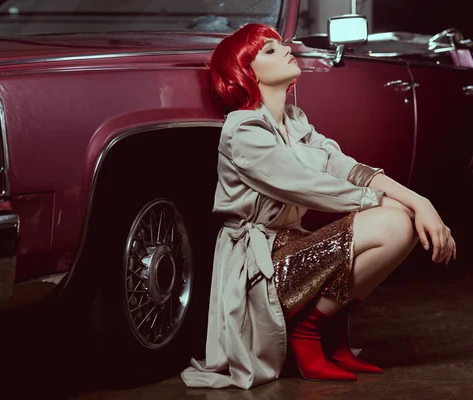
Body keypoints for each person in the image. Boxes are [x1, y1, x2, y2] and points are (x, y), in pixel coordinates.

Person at [181, 23, 457, 389]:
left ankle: (327, 331)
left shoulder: (295, 123)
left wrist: (421, 202)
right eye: (268, 50)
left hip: (293, 247)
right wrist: (396, 206)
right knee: (394, 224)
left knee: (400, 216)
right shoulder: (243, 129)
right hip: (260, 265)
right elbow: (312, 187)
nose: (284, 49)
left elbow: (350, 170)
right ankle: (307, 332)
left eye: (280, 44)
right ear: (247, 73)